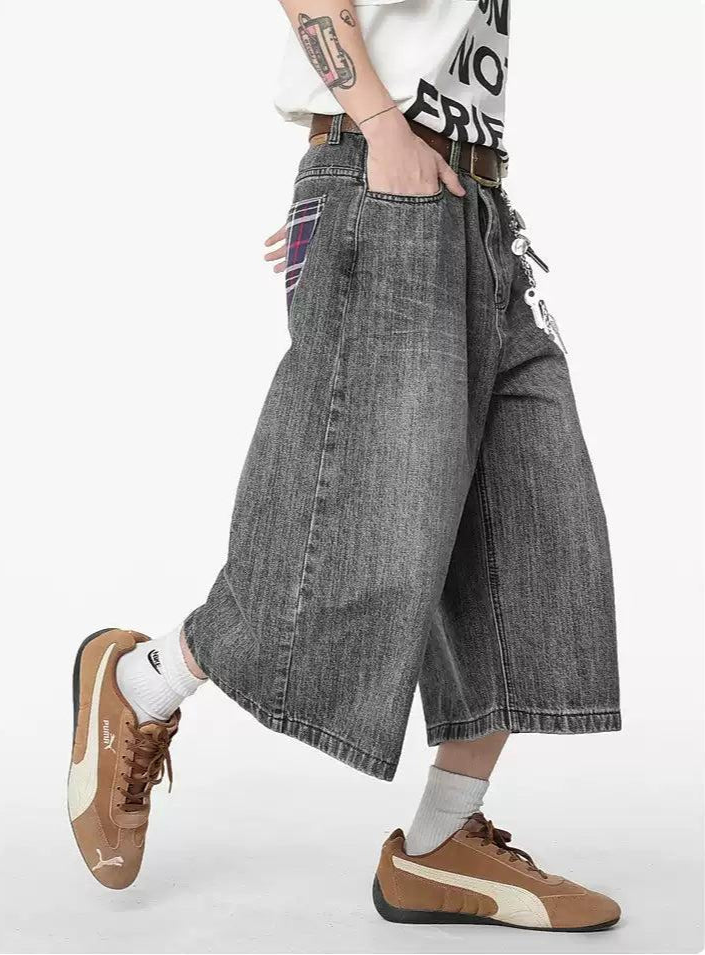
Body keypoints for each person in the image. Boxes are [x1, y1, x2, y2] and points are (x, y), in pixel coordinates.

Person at [68, 0, 622, 931]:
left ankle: (441, 842)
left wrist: (355, 201)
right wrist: (374, 140)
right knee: (367, 525)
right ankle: (139, 683)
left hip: (475, 205)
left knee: (540, 532)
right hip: (390, 172)